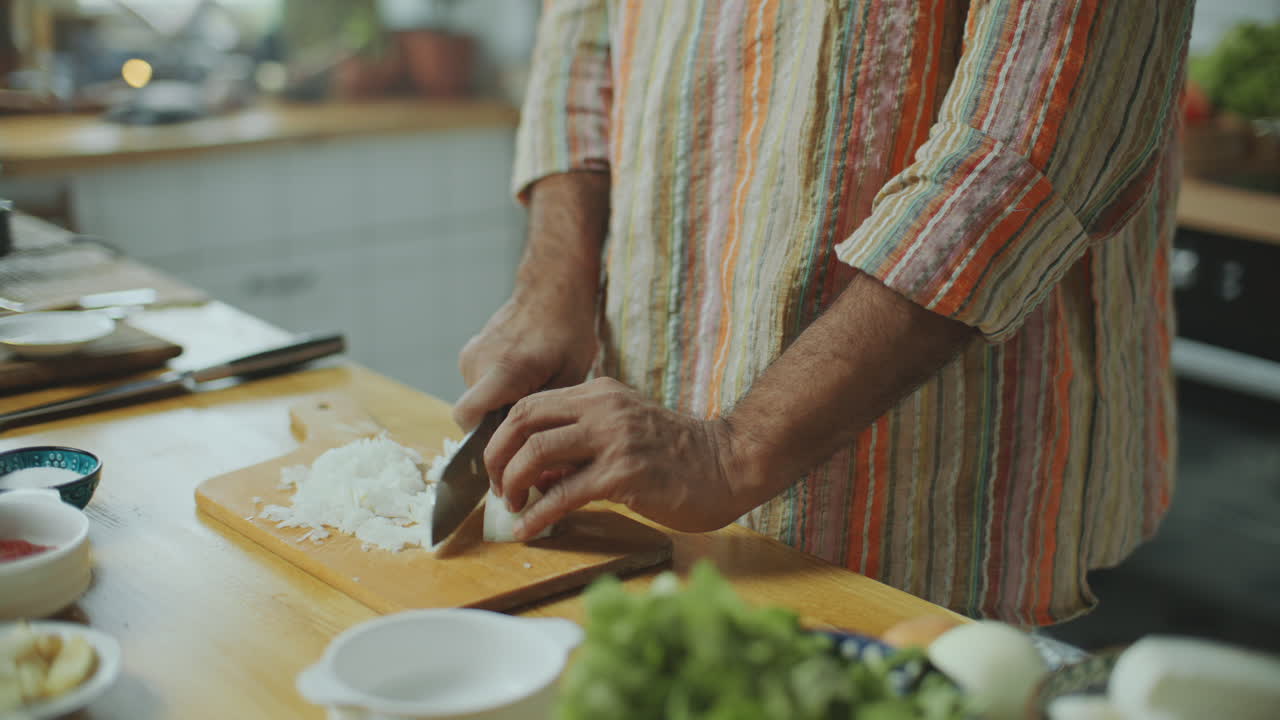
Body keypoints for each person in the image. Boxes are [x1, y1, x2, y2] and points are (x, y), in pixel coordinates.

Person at [454, 0, 1194, 625]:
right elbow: (578, 30)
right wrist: (556, 274)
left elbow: (1040, 130)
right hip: (645, 482)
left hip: (941, 514)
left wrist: (734, 451)